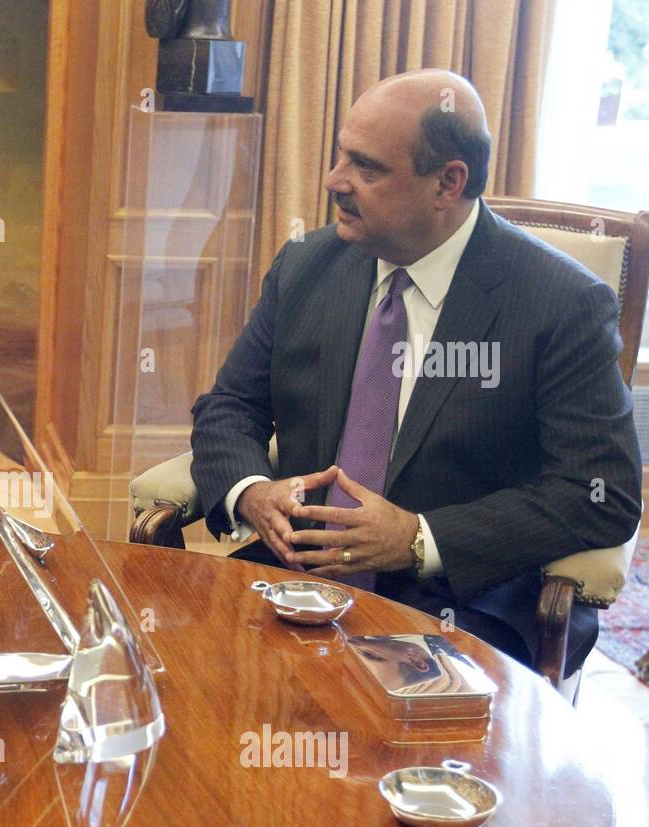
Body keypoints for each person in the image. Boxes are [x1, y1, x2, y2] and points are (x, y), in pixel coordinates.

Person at [191, 69, 641, 678]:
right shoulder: (307, 267)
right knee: (189, 689)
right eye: (340, 156)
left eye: (366, 167)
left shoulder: (559, 303)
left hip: (461, 607)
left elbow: (602, 492)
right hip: (294, 584)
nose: (334, 181)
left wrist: (418, 537)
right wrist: (253, 491)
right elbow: (228, 408)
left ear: (447, 183)